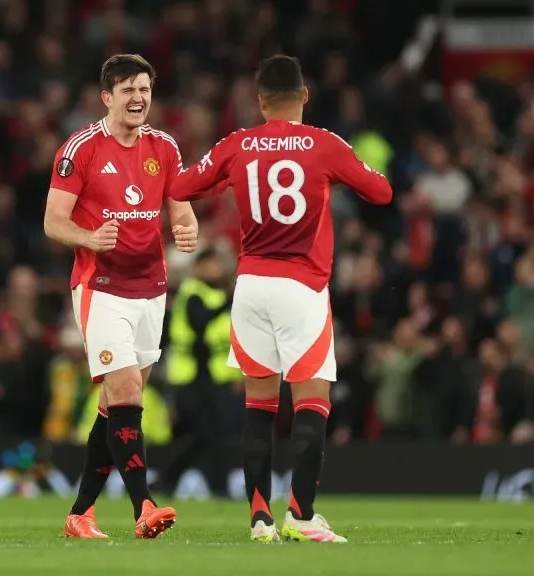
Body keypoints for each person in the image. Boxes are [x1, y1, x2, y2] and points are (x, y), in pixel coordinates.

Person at [171, 54, 393, 543]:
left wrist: (187, 211)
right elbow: (381, 192)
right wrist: (343, 165)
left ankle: (259, 520)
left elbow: (183, 183)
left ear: (259, 100)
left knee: (259, 406)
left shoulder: (238, 144)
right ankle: (301, 514)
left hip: (248, 287)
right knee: (312, 400)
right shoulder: (323, 144)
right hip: (302, 286)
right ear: (305, 95)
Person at [44, 54, 198, 539]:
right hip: (101, 287)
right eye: (128, 90)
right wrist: (89, 239)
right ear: (107, 97)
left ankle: (80, 513)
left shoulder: (164, 147)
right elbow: (54, 222)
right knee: (128, 391)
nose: (139, 99)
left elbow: (182, 209)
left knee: (116, 405)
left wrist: (185, 227)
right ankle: (144, 507)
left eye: (145, 90)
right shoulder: (81, 148)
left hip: (151, 288)